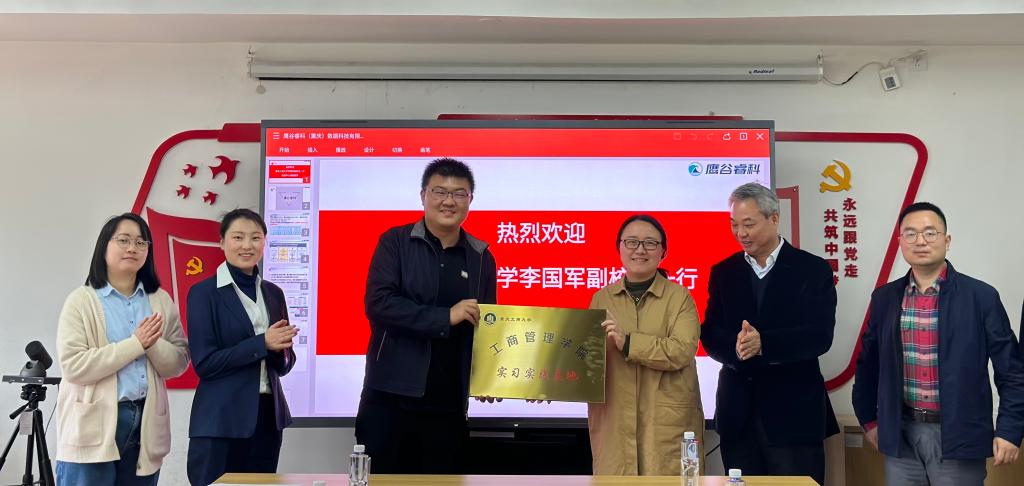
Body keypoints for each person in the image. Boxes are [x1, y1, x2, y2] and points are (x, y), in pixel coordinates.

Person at [853, 202, 1024, 485]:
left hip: (960, 436)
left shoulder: (981, 297)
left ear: (947, 240)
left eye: (930, 233)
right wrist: (869, 420)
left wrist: (1010, 429)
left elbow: (1012, 372)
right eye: (910, 234)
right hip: (901, 436)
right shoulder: (884, 299)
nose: (920, 241)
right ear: (900, 242)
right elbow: (867, 365)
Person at [355, 158, 497, 474]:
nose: (449, 201)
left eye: (459, 193)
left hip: (448, 404)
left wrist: (493, 377)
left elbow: (488, 327)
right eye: (440, 192)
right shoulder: (395, 242)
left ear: (470, 200)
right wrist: (445, 317)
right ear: (423, 196)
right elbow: (379, 304)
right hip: (390, 398)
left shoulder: (481, 257)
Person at [700, 182, 838, 485]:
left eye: (748, 224)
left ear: (774, 218)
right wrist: (737, 347)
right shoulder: (724, 272)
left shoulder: (812, 269)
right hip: (738, 415)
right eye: (734, 224)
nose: (741, 233)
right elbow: (710, 333)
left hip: (794, 415)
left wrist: (764, 344)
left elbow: (819, 335)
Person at [55, 213, 189, 485]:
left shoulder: (160, 300)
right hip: (93, 425)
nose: (132, 248)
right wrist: (135, 344)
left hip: (146, 423)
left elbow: (179, 362)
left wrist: (151, 344)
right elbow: (74, 366)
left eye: (141, 242)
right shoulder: (81, 300)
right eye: (124, 240)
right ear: (104, 246)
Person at [186, 209, 299, 486]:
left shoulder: (274, 293)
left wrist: (282, 350)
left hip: (267, 418)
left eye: (255, 238)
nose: (247, 245)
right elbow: (205, 363)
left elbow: (284, 365)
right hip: (220, 421)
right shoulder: (203, 293)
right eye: (238, 237)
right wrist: (263, 343)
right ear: (222, 242)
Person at [588, 214, 703, 475]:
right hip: (615, 425)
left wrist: (628, 342)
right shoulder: (601, 299)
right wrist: (551, 381)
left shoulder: (680, 298)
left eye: (650, 243)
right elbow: (589, 359)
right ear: (619, 247)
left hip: (666, 426)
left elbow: (682, 350)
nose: (640, 250)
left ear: (663, 251)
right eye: (631, 242)